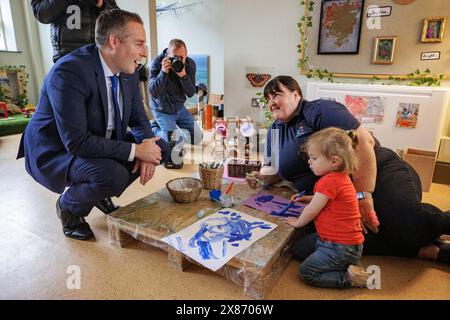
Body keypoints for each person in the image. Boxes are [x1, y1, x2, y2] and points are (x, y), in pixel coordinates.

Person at [246, 75, 450, 264]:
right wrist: (262, 177)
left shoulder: (318, 110)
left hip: (378, 171)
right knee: (318, 245)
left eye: (276, 94)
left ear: (296, 94)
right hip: (335, 196)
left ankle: (439, 225)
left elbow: (363, 140)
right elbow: (273, 170)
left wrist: (363, 194)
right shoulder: (274, 130)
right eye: (267, 98)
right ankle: (430, 250)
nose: (271, 101)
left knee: (404, 221)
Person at [17, 9, 169, 241]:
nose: (145, 52)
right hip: (57, 149)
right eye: (139, 43)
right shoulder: (69, 73)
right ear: (114, 41)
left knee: (161, 149)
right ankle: (68, 208)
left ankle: (96, 194)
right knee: (113, 175)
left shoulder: (128, 70)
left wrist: (147, 146)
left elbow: (138, 118)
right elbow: (76, 142)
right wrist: (137, 151)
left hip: (96, 139)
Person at [285, 127, 369, 288]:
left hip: (341, 247)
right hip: (327, 239)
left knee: (306, 272)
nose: (309, 162)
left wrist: (297, 222)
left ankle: (350, 278)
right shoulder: (339, 177)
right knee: (297, 250)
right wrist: (307, 198)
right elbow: (325, 200)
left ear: (334, 161)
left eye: (314, 158)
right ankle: (342, 263)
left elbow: (312, 211)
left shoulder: (330, 181)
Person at [149, 39, 203, 145]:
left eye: (182, 57)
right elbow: (154, 92)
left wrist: (183, 76)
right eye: (175, 57)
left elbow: (191, 93)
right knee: (175, 143)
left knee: (197, 138)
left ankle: (167, 129)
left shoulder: (190, 64)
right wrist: (163, 72)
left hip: (179, 107)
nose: (178, 60)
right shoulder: (158, 62)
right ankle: (154, 129)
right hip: (162, 109)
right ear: (168, 55)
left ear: (186, 55)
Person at [31, 0, 119, 63]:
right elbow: (42, 14)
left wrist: (102, 4)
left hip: (99, 59)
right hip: (67, 59)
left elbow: (119, 20)